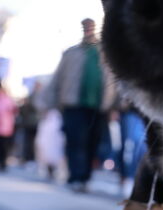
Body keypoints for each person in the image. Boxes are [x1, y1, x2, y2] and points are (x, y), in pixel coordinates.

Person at [45, 18, 116, 191]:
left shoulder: (107, 53)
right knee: (75, 140)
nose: (89, 31)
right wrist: (50, 103)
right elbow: (58, 78)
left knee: (92, 142)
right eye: (86, 27)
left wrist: (115, 106)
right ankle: (75, 177)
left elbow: (116, 82)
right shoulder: (71, 53)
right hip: (73, 104)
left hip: (99, 107)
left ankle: (85, 177)